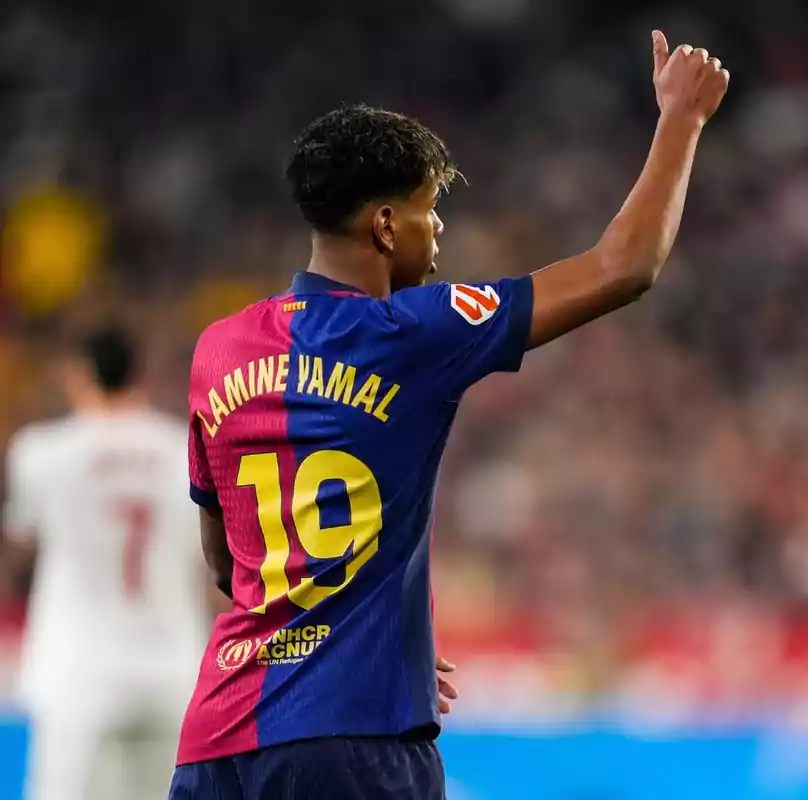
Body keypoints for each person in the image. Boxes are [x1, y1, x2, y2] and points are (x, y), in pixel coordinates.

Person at [169, 30, 728, 799]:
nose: (440, 233)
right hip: (353, 741)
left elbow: (229, 563)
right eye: (432, 211)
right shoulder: (414, 331)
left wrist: (355, 623)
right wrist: (681, 121)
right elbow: (624, 266)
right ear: (387, 225)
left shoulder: (218, 350)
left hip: (215, 743)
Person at [3, 328, 218, 800]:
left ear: (79, 377)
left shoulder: (40, 452)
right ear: (140, 377)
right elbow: (209, 556)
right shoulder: (185, 449)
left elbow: (20, 541)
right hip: (171, 664)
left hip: (77, 670)